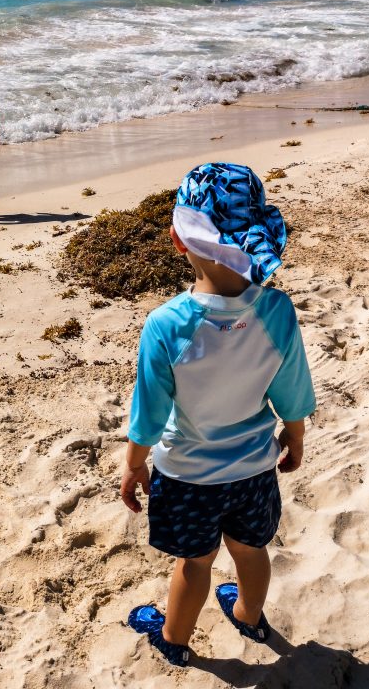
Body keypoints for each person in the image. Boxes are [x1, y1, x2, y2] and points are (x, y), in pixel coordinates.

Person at [122, 162, 315, 667]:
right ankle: (250, 617)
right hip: (253, 469)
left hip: (187, 474)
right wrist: (294, 438)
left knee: (195, 562)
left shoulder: (167, 324)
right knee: (250, 551)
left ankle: (174, 640)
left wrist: (134, 463)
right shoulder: (276, 311)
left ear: (177, 241)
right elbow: (291, 391)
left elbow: (150, 410)